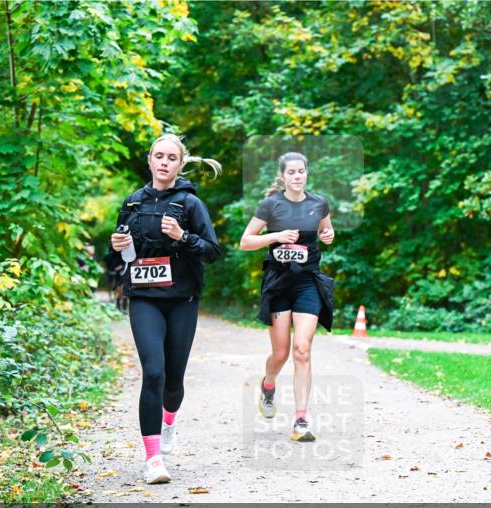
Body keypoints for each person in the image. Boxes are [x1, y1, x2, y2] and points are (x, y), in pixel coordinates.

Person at [109, 134, 221, 483]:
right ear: (149, 160)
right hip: (143, 297)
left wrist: (182, 237)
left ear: (179, 164)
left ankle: (169, 419)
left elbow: (213, 251)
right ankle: (153, 459)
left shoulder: (189, 204)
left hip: (182, 299)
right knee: (153, 373)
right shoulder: (131, 203)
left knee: (173, 381)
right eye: (159, 155)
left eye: (171, 157)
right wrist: (118, 245)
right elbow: (121, 255)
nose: (164, 162)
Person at [239, 152, 335, 442]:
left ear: (307, 173)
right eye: (291, 172)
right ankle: (268, 386)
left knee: (302, 349)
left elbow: (326, 230)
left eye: (301, 171)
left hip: (307, 282)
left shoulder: (319, 203)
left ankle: (301, 420)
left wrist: (329, 234)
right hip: (279, 284)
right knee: (281, 352)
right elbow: (245, 242)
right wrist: (275, 237)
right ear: (282, 176)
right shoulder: (271, 205)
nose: (297, 176)